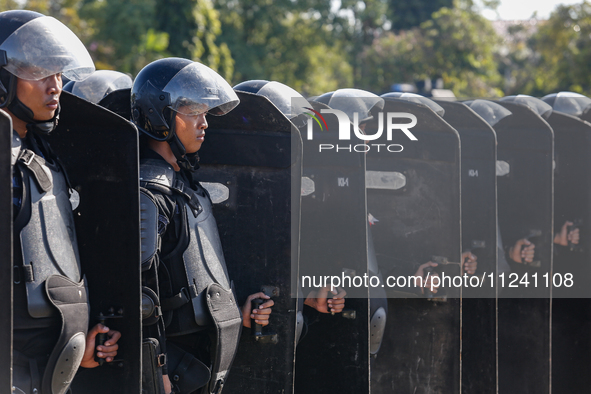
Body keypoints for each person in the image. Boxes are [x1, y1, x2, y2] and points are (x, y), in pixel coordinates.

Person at [131, 58, 274, 394]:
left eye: (205, 112)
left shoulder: (184, 185)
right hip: (174, 372)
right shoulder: (149, 191)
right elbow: (141, 296)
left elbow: (190, 276)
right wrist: (158, 370)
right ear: (161, 116)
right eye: (193, 111)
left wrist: (237, 311)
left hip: (200, 368)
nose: (204, 122)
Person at [0, 10, 121, 394]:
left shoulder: (40, 154)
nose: (55, 86)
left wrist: (75, 343)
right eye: (39, 73)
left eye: (57, 73)